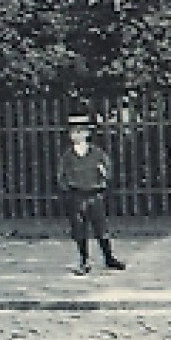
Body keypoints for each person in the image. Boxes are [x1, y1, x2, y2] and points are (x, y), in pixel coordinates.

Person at [59, 114, 127, 275]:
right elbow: (62, 174)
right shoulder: (68, 156)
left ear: (87, 134)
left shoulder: (97, 153)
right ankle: (84, 260)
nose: (76, 135)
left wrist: (103, 180)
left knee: (100, 226)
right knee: (79, 228)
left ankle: (108, 257)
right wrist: (68, 188)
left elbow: (107, 170)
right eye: (73, 132)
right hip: (76, 195)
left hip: (95, 194)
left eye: (80, 132)